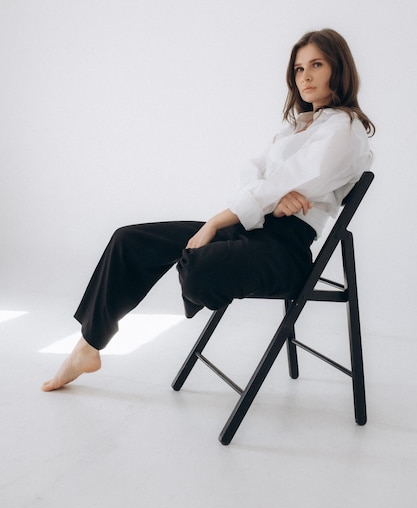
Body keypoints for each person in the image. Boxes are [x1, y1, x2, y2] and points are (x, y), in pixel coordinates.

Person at [42, 28, 375, 392]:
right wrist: (274, 197)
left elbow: (285, 180)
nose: (305, 76)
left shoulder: (344, 129)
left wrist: (224, 217)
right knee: (129, 240)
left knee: (199, 266)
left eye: (316, 64)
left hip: (284, 250)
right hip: (253, 228)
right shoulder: (296, 129)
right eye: (298, 69)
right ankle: (87, 346)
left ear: (338, 68)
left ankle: (200, 266)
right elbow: (252, 175)